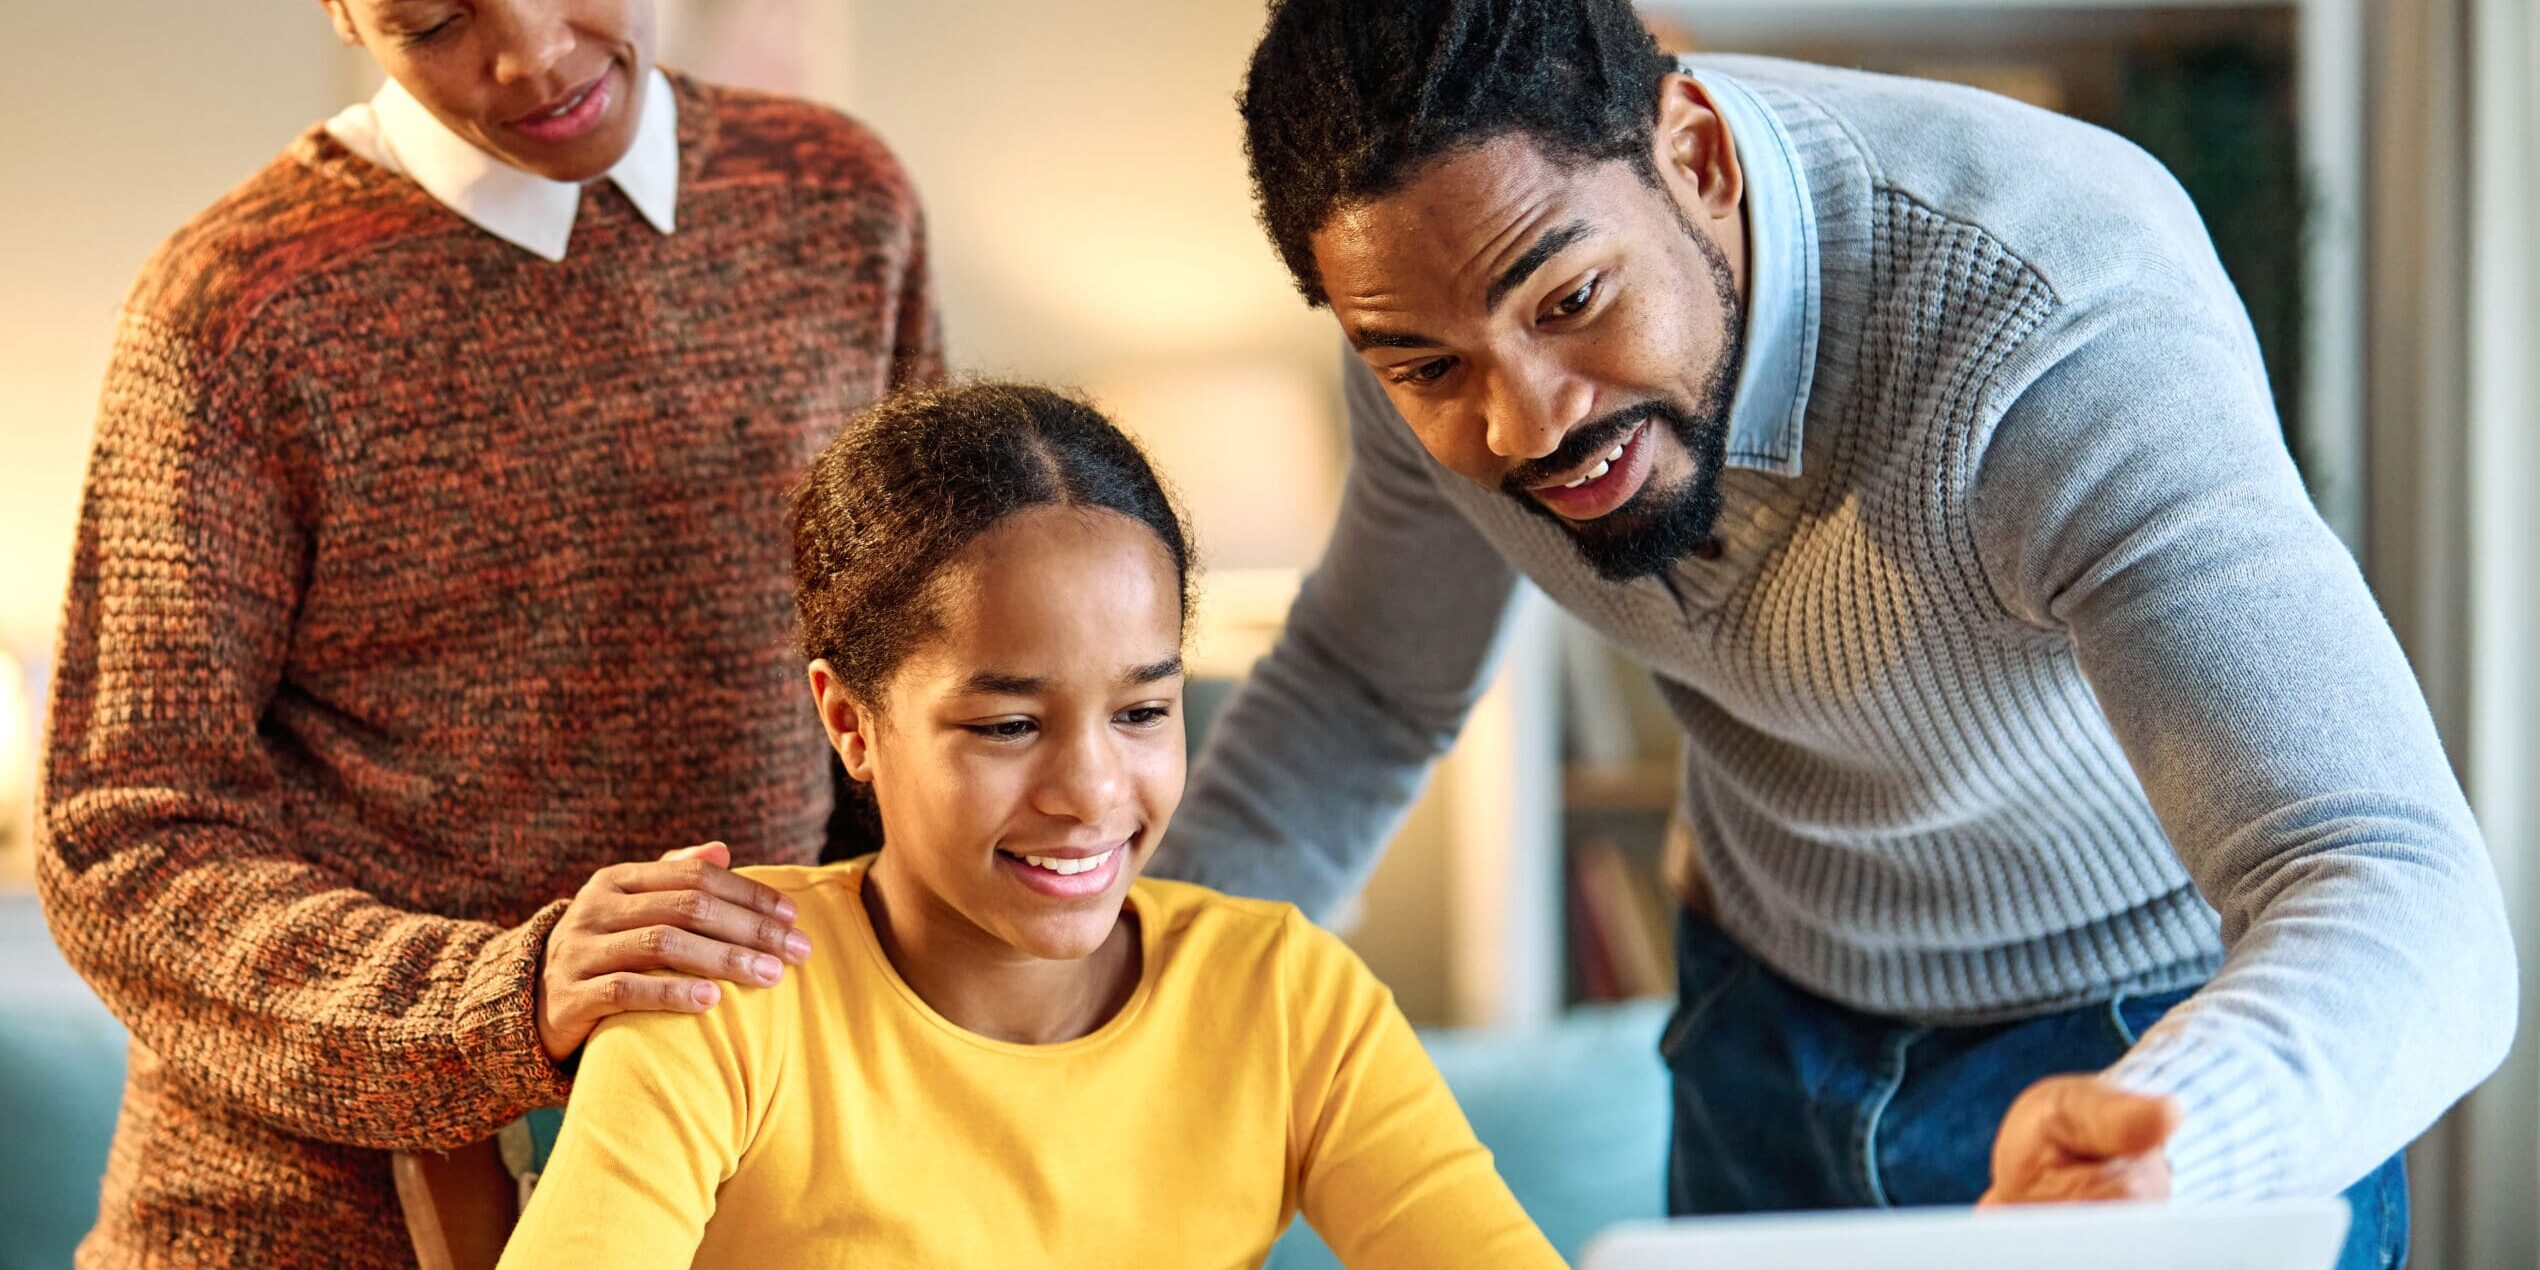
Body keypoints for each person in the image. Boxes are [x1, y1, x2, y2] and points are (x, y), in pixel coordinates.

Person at [1157, 1, 2518, 1265]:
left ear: (1694, 154)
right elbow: (1361, 692)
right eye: (1425, 368)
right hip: (1763, 1023)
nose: (1524, 423)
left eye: (1570, 301)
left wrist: (2179, 1133)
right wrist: (1139, 1005)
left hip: (2135, 1039)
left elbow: (2400, 889)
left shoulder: (2063, 328)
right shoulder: (1429, 293)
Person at [34, 1, 939, 1262]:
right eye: (436, 18)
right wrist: (498, 1001)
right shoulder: (235, 313)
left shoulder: (840, 200)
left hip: (732, 1192)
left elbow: (907, 692)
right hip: (298, 1223)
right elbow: (120, 836)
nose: (535, 57)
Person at [494, 382, 1563, 1269]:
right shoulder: (725, 996)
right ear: (849, 721)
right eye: (1008, 723)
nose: (1092, 792)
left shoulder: (1285, 997)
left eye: (1143, 711)